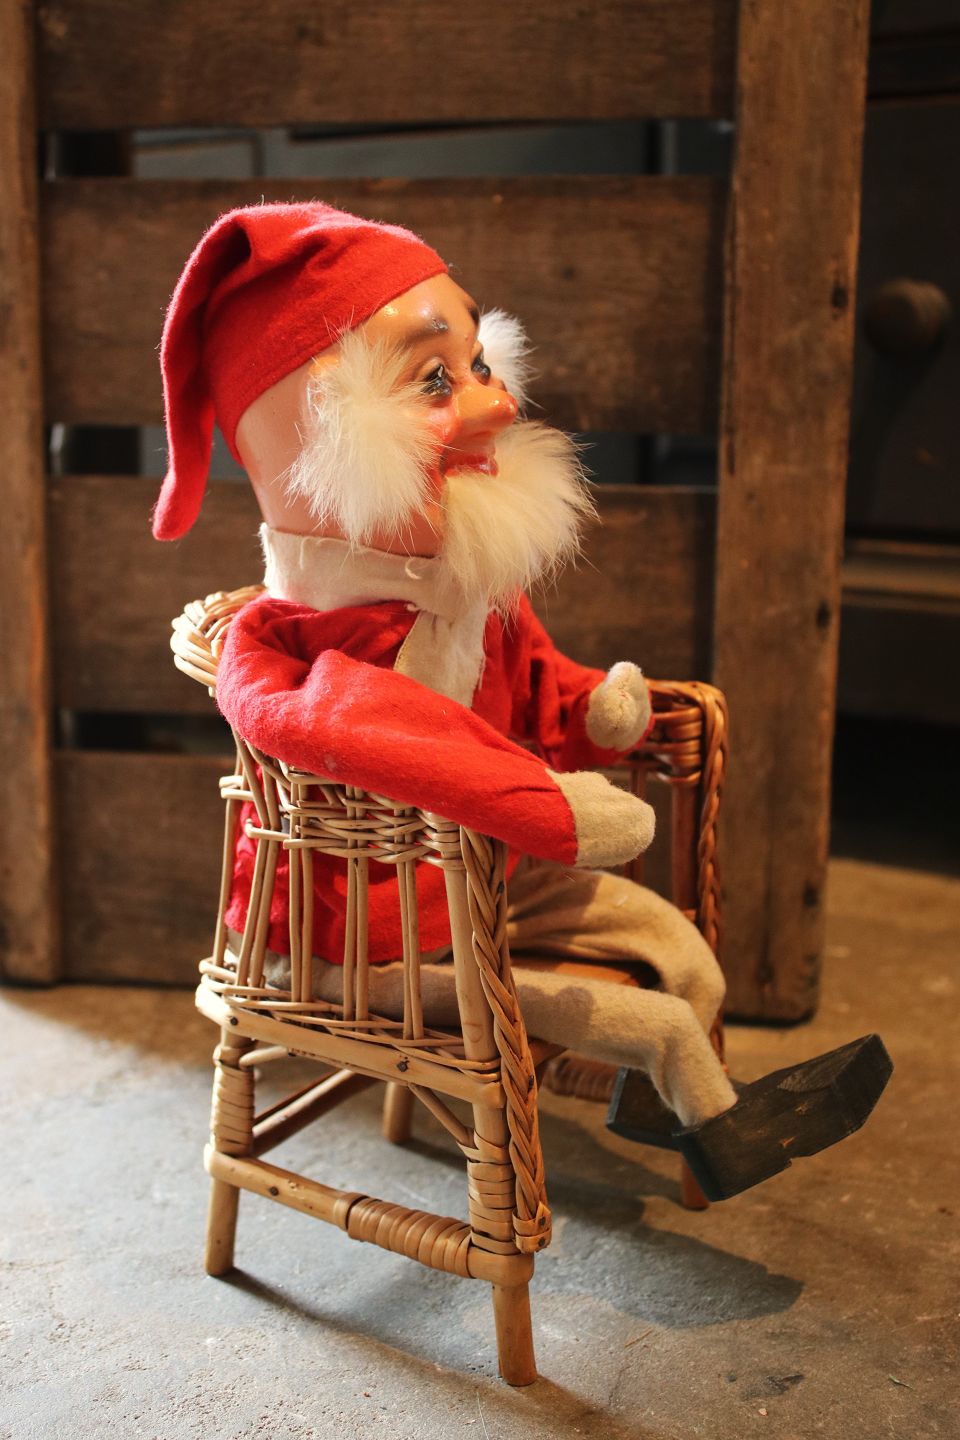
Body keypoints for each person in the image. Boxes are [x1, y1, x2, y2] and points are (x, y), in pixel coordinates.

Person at [154, 202, 890, 1200]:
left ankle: (669, 1109)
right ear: (315, 428)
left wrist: (592, 713)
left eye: (478, 365)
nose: (495, 407)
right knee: (661, 1023)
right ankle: (720, 1125)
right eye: (433, 380)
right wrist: (542, 804)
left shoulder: (467, 589)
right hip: (352, 940)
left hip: (486, 883)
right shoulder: (285, 647)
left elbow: (534, 682)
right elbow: (365, 727)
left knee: (687, 960)